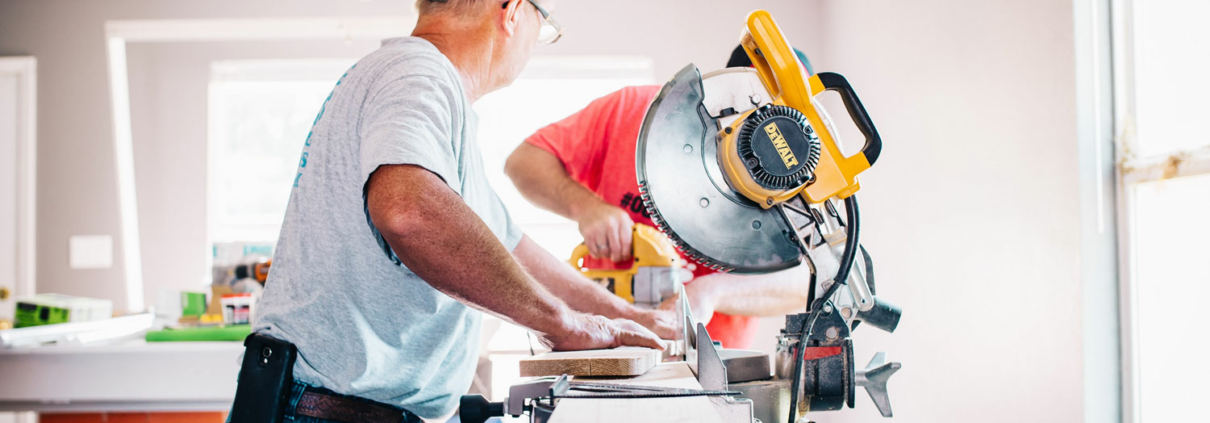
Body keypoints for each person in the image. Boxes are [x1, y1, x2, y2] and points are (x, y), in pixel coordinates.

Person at [250, 1, 677, 422]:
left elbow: (515, 249)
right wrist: (561, 324)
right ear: (511, 11)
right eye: (542, 25)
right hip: (328, 411)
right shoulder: (417, 71)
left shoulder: (425, 91)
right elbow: (409, 211)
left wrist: (627, 318)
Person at [506, 46, 815, 349]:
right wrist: (585, 207)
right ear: (723, 84)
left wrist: (711, 291)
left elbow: (811, 281)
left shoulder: (795, 178)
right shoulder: (633, 110)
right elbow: (523, 162)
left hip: (712, 361)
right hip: (603, 341)